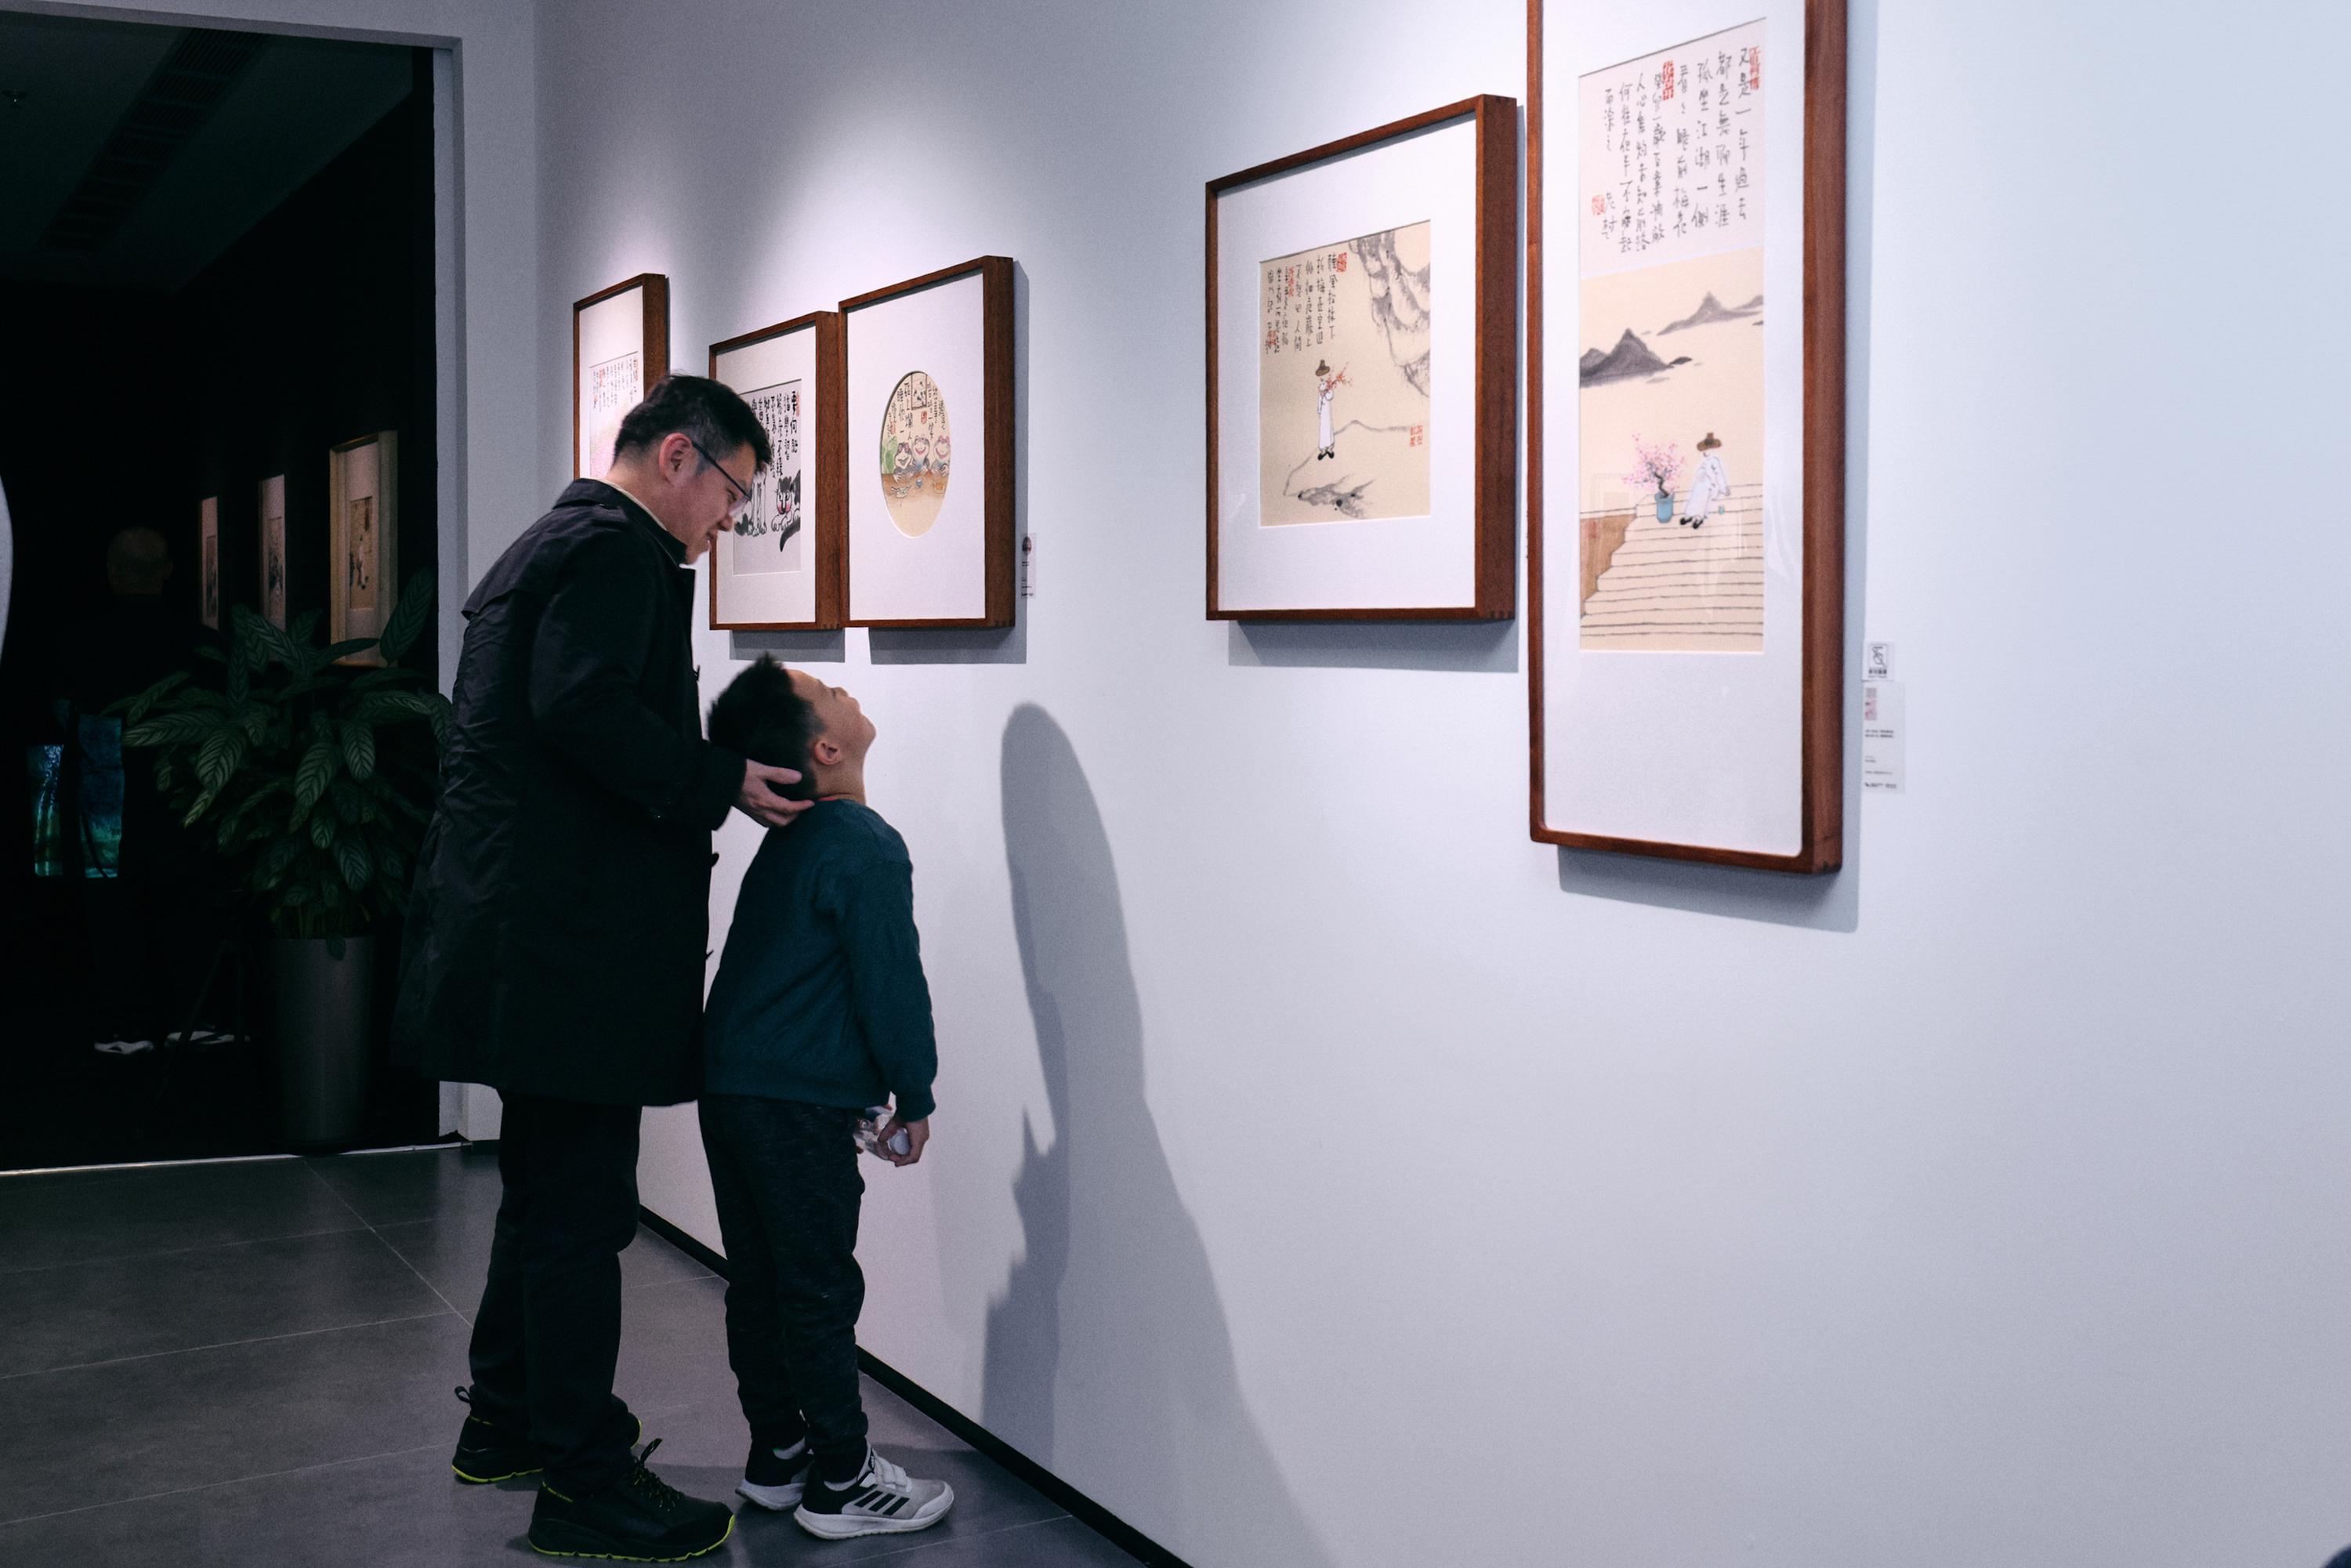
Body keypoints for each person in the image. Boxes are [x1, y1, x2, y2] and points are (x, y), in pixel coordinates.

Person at [392, 375, 810, 1563]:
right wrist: (718, 779)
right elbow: (581, 710)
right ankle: (582, 1483)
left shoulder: (554, 541)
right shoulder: (616, 553)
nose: (728, 519)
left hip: (519, 935)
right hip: (563, 950)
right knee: (580, 1212)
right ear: (678, 457)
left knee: (543, 1192)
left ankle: (507, 1420)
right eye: (731, 491)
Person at [697, 656, 954, 1541]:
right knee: (816, 1287)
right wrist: (914, 1092)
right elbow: (891, 983)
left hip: (732, 1086)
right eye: (828, 691)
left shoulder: (791, 843)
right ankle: (843, 1478)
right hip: (794, 1105)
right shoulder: (865, 844)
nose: (846, 687)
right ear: (827, 748)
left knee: (760, 1282)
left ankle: (779, 1454)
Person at [1683, 431, 1730, 528]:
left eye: (1708, 449)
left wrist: (1724, 487)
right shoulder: (1704, 460)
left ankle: (1699, 517)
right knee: (1696, 491)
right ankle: (1689, 514)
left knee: (1703, 492)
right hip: (1701, 482)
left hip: (1712, 486)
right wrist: (1701, 474)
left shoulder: (1715, 460)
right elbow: (1701, 471)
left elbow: (1719, 474)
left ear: (1712, 449)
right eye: (1705, 449)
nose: (1706, 451)